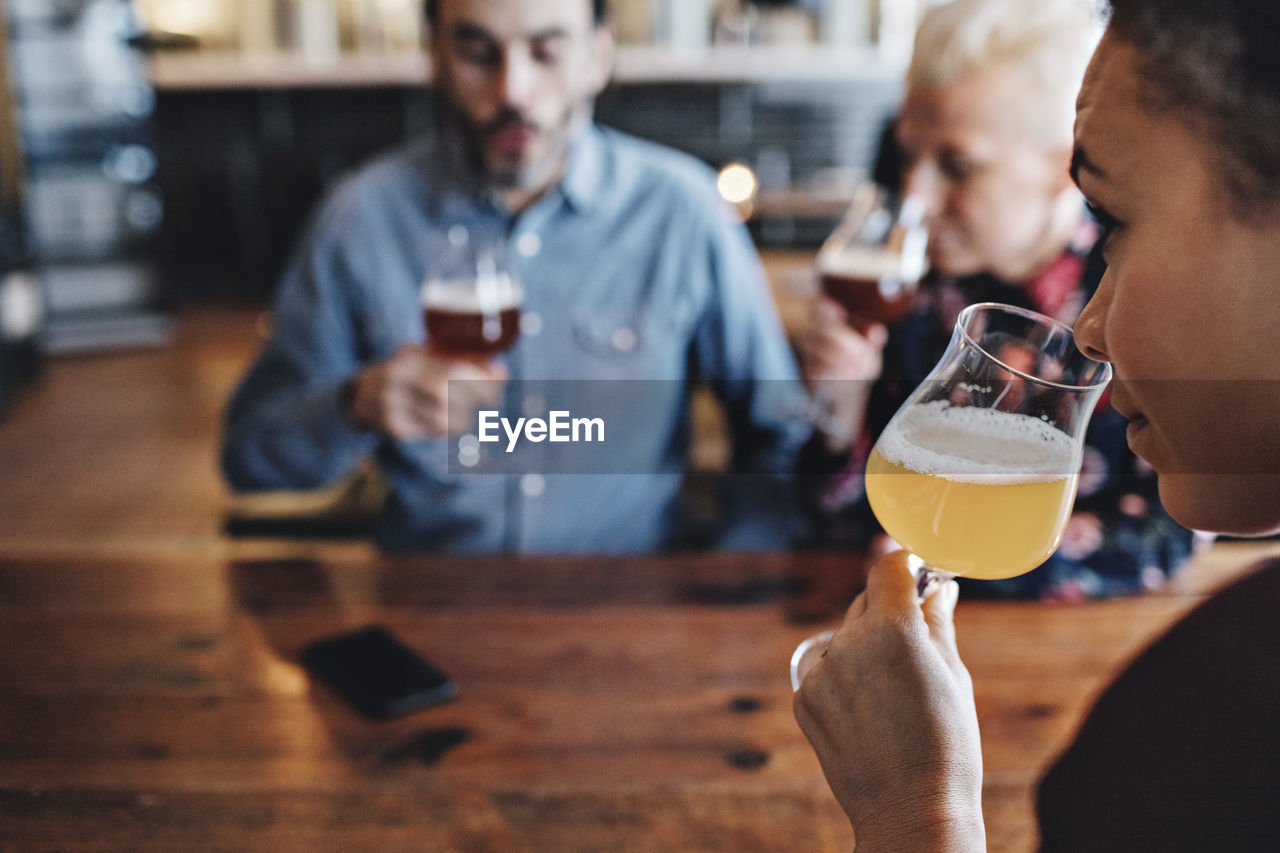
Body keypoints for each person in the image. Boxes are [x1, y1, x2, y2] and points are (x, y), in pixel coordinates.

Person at [795, 0, 1280, 848]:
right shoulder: (921, 302)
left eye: (1117, 218)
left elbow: (1160, 537)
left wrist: (918, 813)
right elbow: (847, 497)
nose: (1091, 332)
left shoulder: (1206, 727)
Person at [220, 0, 808, 553]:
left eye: (547, 52)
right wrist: (354, 405)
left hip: (631, 604)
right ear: (436, 57)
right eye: (479, 53)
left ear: (597, 58)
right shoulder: (361, 216)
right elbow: (247, 457)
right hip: (427, 609)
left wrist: (740, 581)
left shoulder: (683, 209)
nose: (513, 91)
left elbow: (779, 434)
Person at [801, 0, 1195, 600]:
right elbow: (836, 521)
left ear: (1069, 165)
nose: (916, 196)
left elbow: (1170, 540)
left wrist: (966, 564)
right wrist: (837, 412)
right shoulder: (913, 290)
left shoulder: (1145, 296)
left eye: (957, 166)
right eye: (909, 155)